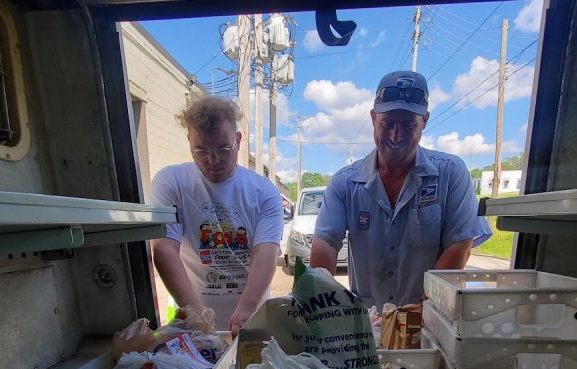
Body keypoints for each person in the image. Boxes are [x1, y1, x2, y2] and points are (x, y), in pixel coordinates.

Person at [310, 71, 492, 310]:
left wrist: (421, 311)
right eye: (387, 124)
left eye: (407, 126)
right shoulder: (345, 183)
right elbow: (325, 244)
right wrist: (322, 307)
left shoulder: (451, 173)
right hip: (368, 321)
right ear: (373, 118)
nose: (395, 136)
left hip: (428, 317)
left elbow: (460, 244)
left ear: (424, 121)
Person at [149, 96, 283, 336]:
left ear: (239, 141)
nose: (212, 161)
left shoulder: (263, 191)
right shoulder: (171, 182)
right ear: (189, 140)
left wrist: (246, 310)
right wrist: (198, 317)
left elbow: (266, 253)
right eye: (201, 150)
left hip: (253, 321)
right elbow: (164, 250)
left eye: (223, 149)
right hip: (195, 322)